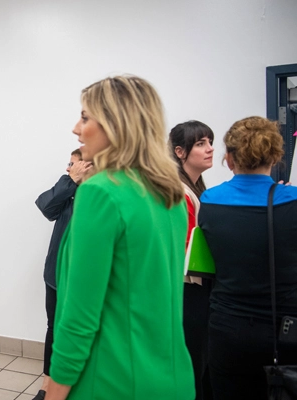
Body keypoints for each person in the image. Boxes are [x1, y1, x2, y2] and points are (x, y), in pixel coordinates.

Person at [46, 76, 195, 400]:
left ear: (116, 124)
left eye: (85, 117)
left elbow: (79, 317)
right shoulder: (170, 194)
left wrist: (54, 392)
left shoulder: (100, 192)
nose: (76, 128)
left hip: (113, 379)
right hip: (171, 376)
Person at [199, 116, 297, 399]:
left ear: (229, 159)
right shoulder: (292, 202)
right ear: (275, 157)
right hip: (285, 330)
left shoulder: (210, 202)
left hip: (228, 329)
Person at [34, 149, 92, 400]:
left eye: (74, 164)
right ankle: (47, 384)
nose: (69, 168)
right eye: (69, 163)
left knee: (78, 330)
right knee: (54, 327)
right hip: (56, 275)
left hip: (82, 279)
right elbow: (46, 206)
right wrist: (71, 181)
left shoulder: (98, 194)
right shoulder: (68, 188)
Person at [169, 120, 215, 400]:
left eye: (210, 142)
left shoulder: (197, 188)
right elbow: (184, 248)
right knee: (193, 361)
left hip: (197, 286)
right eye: (200, 144)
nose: (210, 149)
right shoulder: (180, 191)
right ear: (180, 152)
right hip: (187, 288)